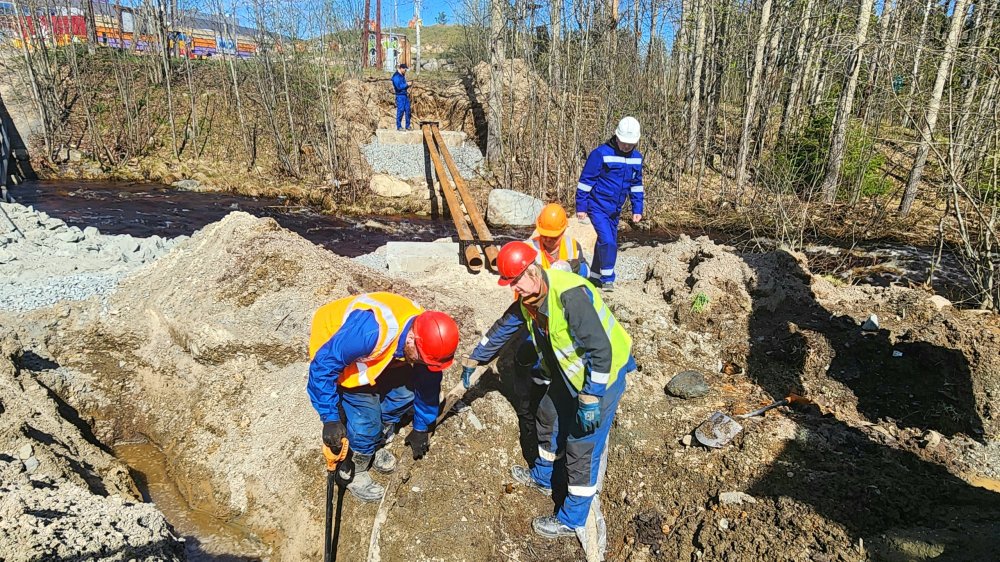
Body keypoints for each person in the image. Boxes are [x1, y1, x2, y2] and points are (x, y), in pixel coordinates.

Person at [462, 241, 635, 556]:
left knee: (582, 444)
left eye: (516, 281)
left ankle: (572, 517)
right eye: (509, 283)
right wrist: (475, 359)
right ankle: (543, 476)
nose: (514, 288)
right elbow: (502, 328)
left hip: (603, 377)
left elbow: (602, 351)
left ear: (533, 271)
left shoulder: (569, 296)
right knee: (547, 412)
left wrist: (592, 398)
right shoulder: (529, 297)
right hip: (571, 374)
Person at [469, 202, 591, 467]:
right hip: (531, 312)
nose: (547, 239)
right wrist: (476, 358)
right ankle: (531, 402)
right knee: (528, 362)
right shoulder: (530, 249)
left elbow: (585, 274)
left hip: (560, 317)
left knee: (560, 398)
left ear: (562, 231)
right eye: (544, 233)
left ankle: (549, 403)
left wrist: (571, 269)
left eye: (553, 235)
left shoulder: (573, 248)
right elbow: (506, 323)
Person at [307, 292, 459, 502]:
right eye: (422, 359)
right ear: (413, 339)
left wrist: (422, 426)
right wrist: (330, 417)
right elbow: (322, 369)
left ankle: (375, 439)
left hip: (377, 353)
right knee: (366, 422)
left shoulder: (425, 334)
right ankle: (355, 469)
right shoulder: (369, 333)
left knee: (405, 394)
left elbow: (428, 381)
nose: (424, 364)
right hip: (335, 345)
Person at [576, 116, 644, 291]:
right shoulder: (601, 154)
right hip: (597, 205)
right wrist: (581, 206)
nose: (626, 146)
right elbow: (586, 181)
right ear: (617, 137)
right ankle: (608, 279)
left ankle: (596, 276)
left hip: (616, 208)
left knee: (605, 241)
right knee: (608, 242)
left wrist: (637, 208)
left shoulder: (637, 158)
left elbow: (636, 185)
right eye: (623, 143)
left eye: (630, 143)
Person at [392, 63, 412, 131]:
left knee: (408, 110)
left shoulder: (402, 75)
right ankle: (399, 126)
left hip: (405, 95)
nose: (405, 71)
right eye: (405, 69)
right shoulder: (396, 76)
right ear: (401, 68)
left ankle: (408, 126)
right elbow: (398, 87)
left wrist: (408, 85)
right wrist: (407, 84)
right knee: (400, 111)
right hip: (400, 96)